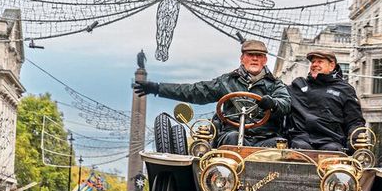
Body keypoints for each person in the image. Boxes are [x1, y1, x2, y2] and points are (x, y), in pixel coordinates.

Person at [133, 40, 291, 147]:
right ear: (242, 58)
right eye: (250, 55)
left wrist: (273, 103)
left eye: (259, 56)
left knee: (279, 146)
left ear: (265, 60)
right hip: (232, 133)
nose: (255, 59)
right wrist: (157, 88)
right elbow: (194, 91)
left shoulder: (275, 84)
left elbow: (285, 103)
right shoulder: (227, 81)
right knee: (233, 139)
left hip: (265, 137)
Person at [286, 50, 365, 151]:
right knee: (300, 148)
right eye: (313, 62)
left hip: (331, 140)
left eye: (319, 61)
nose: (314, 64)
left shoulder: (345, 89)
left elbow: (355, 121)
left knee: (331, 151)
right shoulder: (298, 85)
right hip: (302, 139)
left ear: (332, 65)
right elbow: (279, 98)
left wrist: (354, 142)